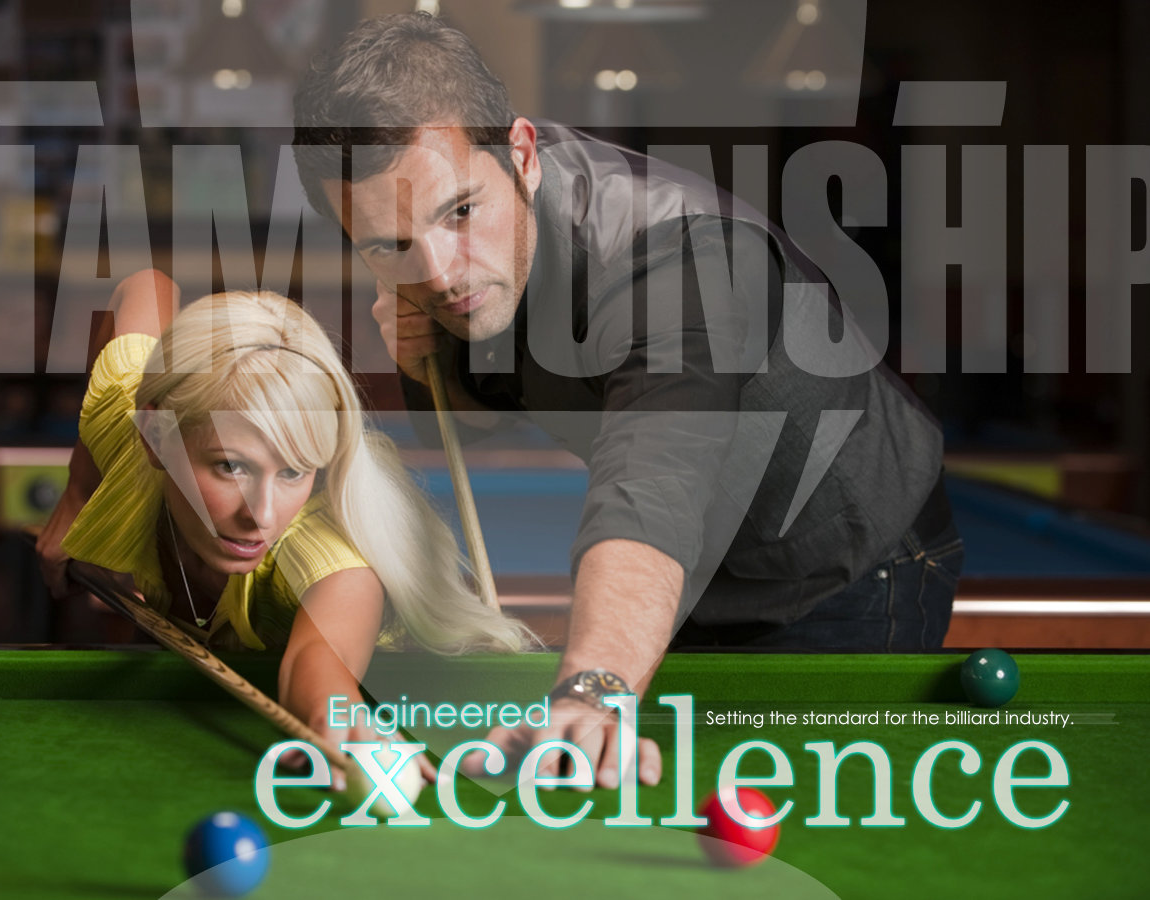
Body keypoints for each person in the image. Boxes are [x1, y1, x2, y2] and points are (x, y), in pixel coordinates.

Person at [291, 12, 962, 788]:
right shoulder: (461, 268)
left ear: (521, 154)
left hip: (843, 562)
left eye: (460, 212)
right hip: (697, 580)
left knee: (814, 821)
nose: (437, 274)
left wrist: (594, 684)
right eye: (389, 244)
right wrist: (422, 362)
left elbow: (656, 480)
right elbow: (476, 425)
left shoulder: (682, 259)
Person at [36, 269, 533, 778]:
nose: (263, 515)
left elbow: (317, 658)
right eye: (232, 465)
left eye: (294, 470)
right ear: (155, 435)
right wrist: (79, 490)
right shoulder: (130, 424)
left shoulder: (328, 549)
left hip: (434, 697)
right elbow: (145, 285)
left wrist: (334, 713)